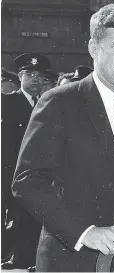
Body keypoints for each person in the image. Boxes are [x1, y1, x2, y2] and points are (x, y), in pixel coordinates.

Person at [11, 4, 114, 271]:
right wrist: (85, 232)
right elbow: (27, 182)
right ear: (94, 49)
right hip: (70, 259)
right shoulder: (59, 102)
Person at [1, 53, 50, 271]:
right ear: (20, 76)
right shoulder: (7, 101)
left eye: (39, 75)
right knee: (13, 215)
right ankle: (13, 255)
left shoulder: (46, 105)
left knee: (32, 215)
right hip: (10, 169)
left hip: (37, 172)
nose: (36, 79)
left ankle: (28, 258)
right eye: (30, 74)